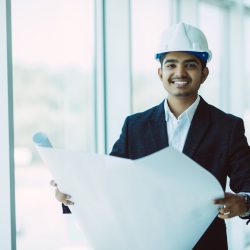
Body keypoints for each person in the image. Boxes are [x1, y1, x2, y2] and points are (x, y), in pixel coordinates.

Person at [51, 22, 250, 249]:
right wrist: (70, 191)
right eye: (171, 65)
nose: (180, 73)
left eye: (190, 65)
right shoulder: (135, 126)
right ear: (160, 72)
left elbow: (247, 182)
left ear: (204, 73)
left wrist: (244, 202)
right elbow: (110, 182)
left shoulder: (227, 127)